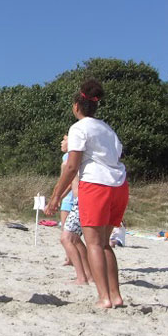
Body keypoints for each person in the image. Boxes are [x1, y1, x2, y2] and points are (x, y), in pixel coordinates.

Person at [46, 79, 129, 309]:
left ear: (76, 106)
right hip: (119, 185)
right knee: (105, 244)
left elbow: (72, 166)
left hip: (96, 185)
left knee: (93, 243)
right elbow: (117, 156)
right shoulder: (108, 129)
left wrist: (56, 196)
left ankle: (104, 298)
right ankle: (116, 296)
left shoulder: (78, 128)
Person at [56, 135, 92, 285]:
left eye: (64, 139)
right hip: (86, 199)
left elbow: (68, 181)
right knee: (75, 239)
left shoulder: (69, 158)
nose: (61, 142)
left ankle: (82, 277)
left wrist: (55, 198)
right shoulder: (85, 156)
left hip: (78, 201)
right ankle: (88, 275)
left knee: (68, 237)